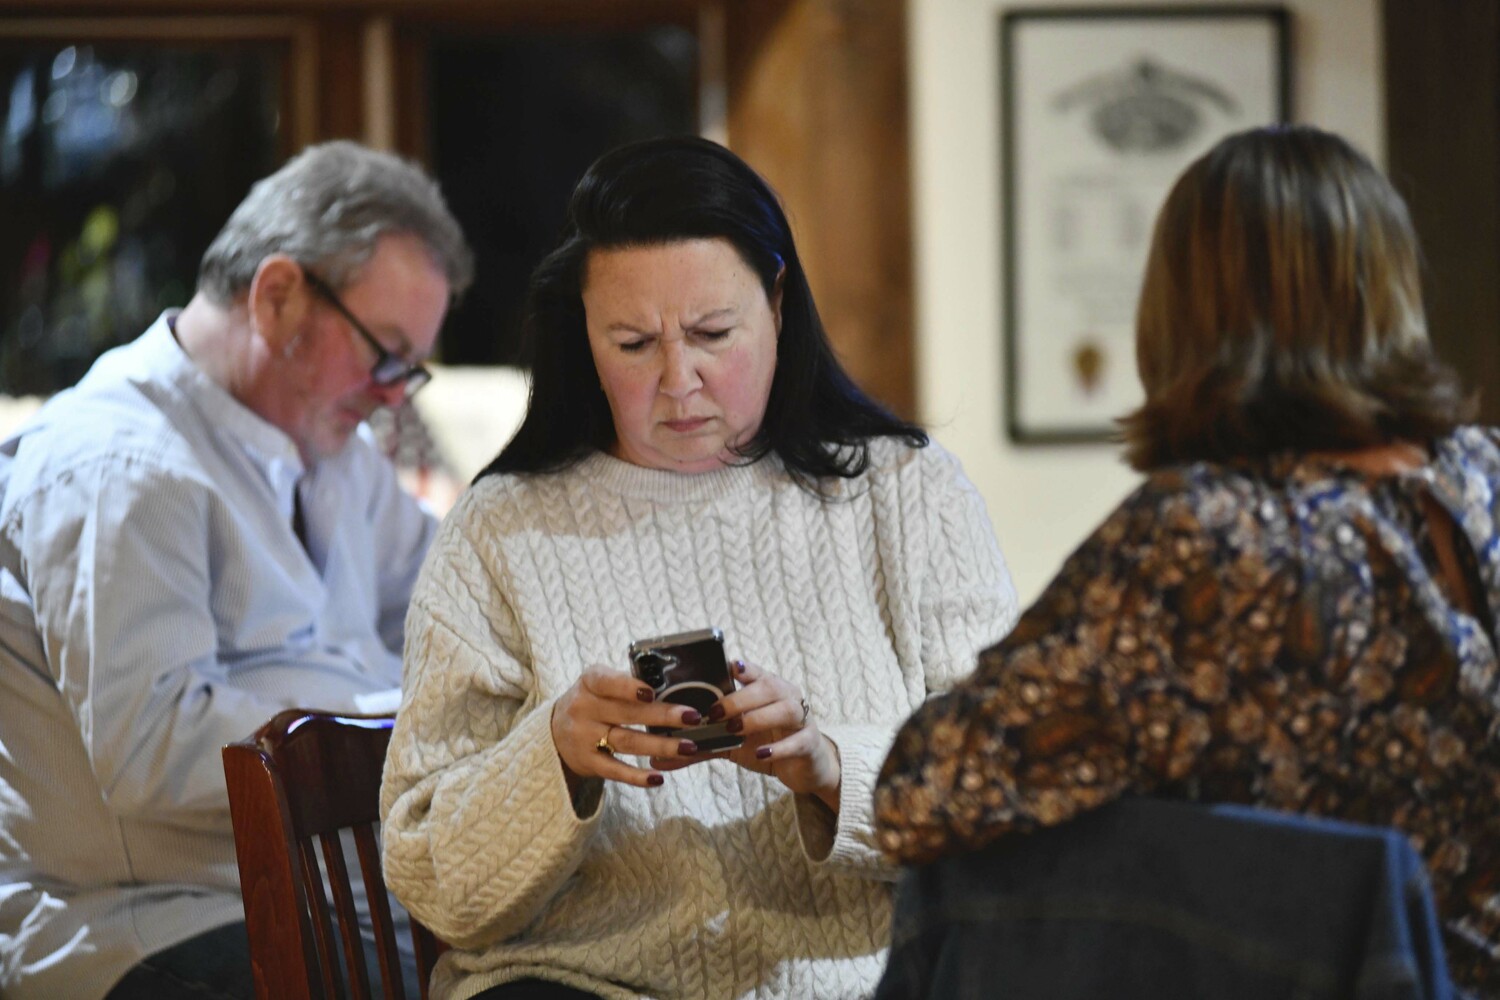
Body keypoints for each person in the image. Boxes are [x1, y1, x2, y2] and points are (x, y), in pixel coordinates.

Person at [379, 134, 1019, 1000]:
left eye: (715, 333)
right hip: (584, 982)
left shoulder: (908, 493)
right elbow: (430, 879)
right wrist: (554, 758)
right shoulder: (501, 531)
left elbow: (1011, 789)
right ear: (583, 335)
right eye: (634, 343)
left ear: (780, 302)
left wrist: (829, 766)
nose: (681, 381)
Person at [873, 124, 1499, 997]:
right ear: (1389, 288)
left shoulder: (1204, 538)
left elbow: (923, 792)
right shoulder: (1484, 476)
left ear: (1182, 311)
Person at [0, 140, 473, 1000]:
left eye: (411, 367)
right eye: (386, 353)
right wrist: (410, 722)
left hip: (333, 901)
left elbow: (458, 603)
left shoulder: (337, 455)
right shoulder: (118, 468)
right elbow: (153, 743)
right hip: (154, 922)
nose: (396, 394)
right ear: (278, 295)